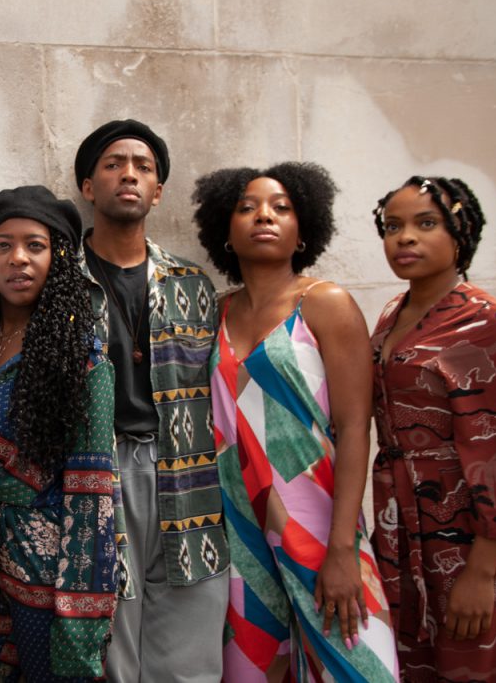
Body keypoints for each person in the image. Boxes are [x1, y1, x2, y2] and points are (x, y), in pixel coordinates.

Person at [193, 162, 398, 681]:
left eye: (282, 207)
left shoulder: (324, 304)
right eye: (247, 207)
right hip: (238, 534)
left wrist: (343, 550)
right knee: (252, 672)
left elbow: (355, 428)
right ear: (226, 231)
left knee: (359, 669)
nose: (265, 215)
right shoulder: (211, 313)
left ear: (304, 230)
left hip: (319, 527)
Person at [0, 185, 118, 681]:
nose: (18, 258)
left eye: (35, 245)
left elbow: (91, 496)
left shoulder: (84, 360)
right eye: (3, 245)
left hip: (49, 576)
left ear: (57, 258)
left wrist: (79, 614)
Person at [369, 176, 496, 681]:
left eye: (426, 224)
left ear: (461, 231)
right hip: (402, 528)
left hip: (477, 541)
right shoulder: (392, 315)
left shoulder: (493, 323)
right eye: (393, 226)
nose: (405, 238)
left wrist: (482, 572)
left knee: (481, 664)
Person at [75, 119, 229, 682]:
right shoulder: (59, 280)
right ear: (89, 187)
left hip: (187, 472)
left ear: (158, 190)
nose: (129, 175)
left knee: (189, 638)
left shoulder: (192, 284)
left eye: (143, 167)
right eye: (114, 164)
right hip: (96, 471)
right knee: (105, 637)